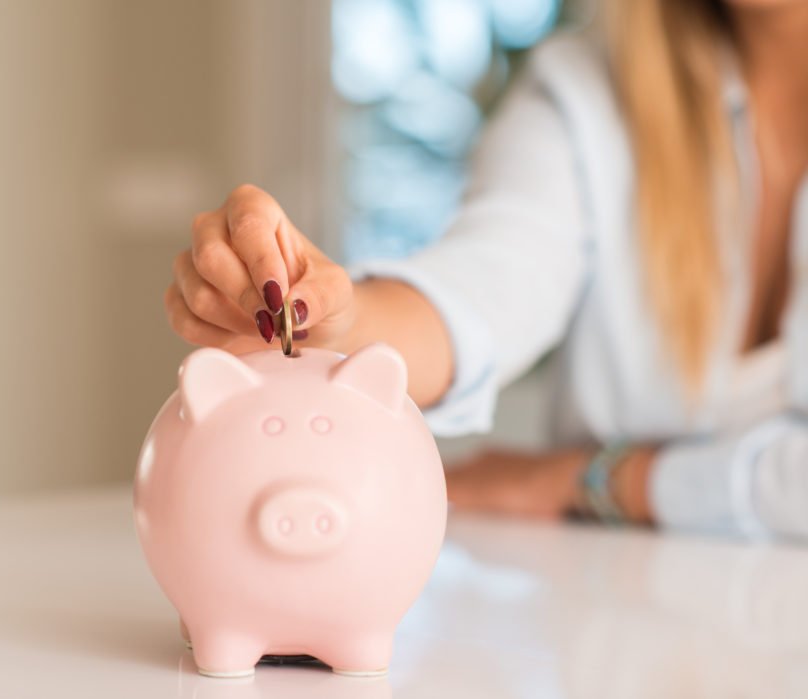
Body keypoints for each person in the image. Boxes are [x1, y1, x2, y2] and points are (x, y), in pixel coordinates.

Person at [164, 0, 808, 541]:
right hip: (609, 627)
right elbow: (492, 283)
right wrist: (337, 317)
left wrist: (601, 480)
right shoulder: (586, 90)